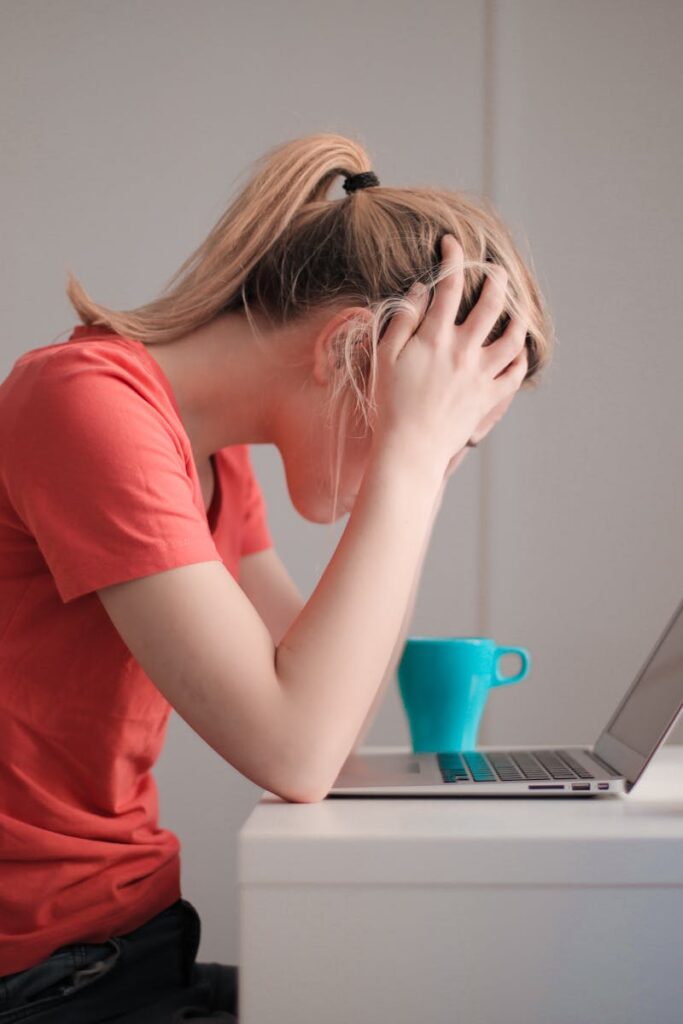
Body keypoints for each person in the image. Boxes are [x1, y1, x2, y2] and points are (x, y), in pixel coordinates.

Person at [0, 131, 553, 1021]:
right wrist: (407, 467)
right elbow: (294, 750)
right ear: (343, 352)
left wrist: (416, 464)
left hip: (129, 950)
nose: (431, 454)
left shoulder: (212, 463)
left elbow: (332, 722)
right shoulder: (85, 406)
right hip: (46, 983)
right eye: (439, 421)